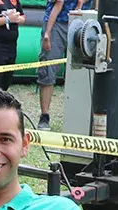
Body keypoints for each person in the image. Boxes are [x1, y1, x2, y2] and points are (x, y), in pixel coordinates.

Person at [36, 0, 81, 129]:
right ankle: (44, 116)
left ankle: (78, 116)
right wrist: (47, 34)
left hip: (81, 21)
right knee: (48, 68)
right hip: (56, 23)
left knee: (80, 71)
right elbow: (58, 4)